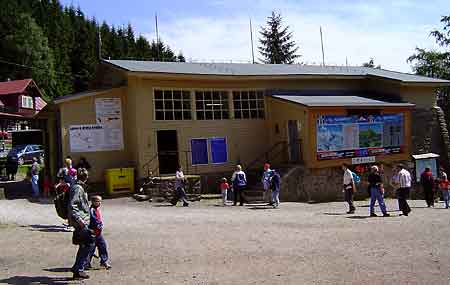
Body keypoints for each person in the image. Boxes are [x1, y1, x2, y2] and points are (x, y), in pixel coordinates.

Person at [68, 168, 95, 280]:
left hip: (82, 221)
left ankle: (78, 268)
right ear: (85, 177)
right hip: (81, 222)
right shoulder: (77, 189)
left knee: (84, 244)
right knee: (88, 244)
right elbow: (72, 205)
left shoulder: (78, 187)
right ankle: (78, 269)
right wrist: (80, 220)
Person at [86, 195, 111, 270]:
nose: (99, 203)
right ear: (93, 202)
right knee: (91, 249)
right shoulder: (91, 210)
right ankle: (86, 263)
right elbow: (94, 219)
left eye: (100, 201)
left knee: (103, 246)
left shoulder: (96, 209)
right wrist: (98, 224)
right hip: (93, 233)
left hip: (98, 233)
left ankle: (104, 261)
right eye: (97, 201)